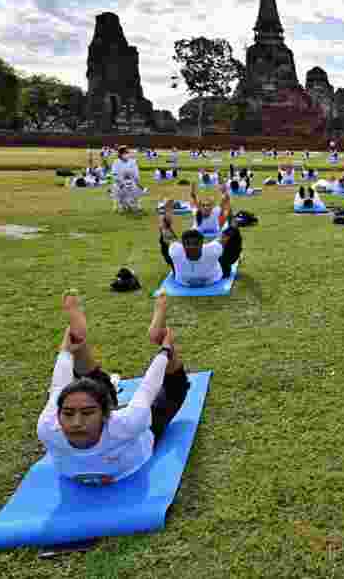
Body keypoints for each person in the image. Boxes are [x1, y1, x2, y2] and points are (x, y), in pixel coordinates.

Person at [37, 289, 190, 484]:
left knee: (174, 390)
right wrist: (65, 353)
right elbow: (58, 386)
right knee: (90, 391)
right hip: (126, 454)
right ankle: (79, 346)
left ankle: (166, 343)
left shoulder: (129, 423)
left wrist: (165, 351)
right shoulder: (48, 427)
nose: (76, 423)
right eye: (67, 413)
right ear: (58, 415)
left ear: (108, 413)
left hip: (135, 444)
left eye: (87, 413)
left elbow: (148, 389)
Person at [159, 194, 242, 285]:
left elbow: (166, 234)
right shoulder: (211, 250)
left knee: (166, 242)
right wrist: (232, 221)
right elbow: (228, 235)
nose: (192, 248)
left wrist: (166, 219)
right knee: (231, 240)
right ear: (202, 244)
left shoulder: (177, 251)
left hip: (183, 280)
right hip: (215, 278)